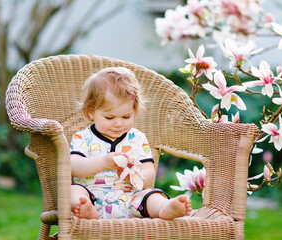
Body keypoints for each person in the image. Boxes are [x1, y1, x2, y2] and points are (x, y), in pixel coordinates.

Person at [70, 67, 192, 220]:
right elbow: (74, 166)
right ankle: (86, 210)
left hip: (131, 200)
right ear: (91, 112)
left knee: (151, 195)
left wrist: (135, 176)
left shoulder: (137, 138)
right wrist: (103, 162)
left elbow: (149, 176)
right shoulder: (83, 137)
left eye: (126, 116)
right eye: (110, 117)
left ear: (134, 111)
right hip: (92, 195)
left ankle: (165, 208)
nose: (118, 123)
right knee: (73, 191)